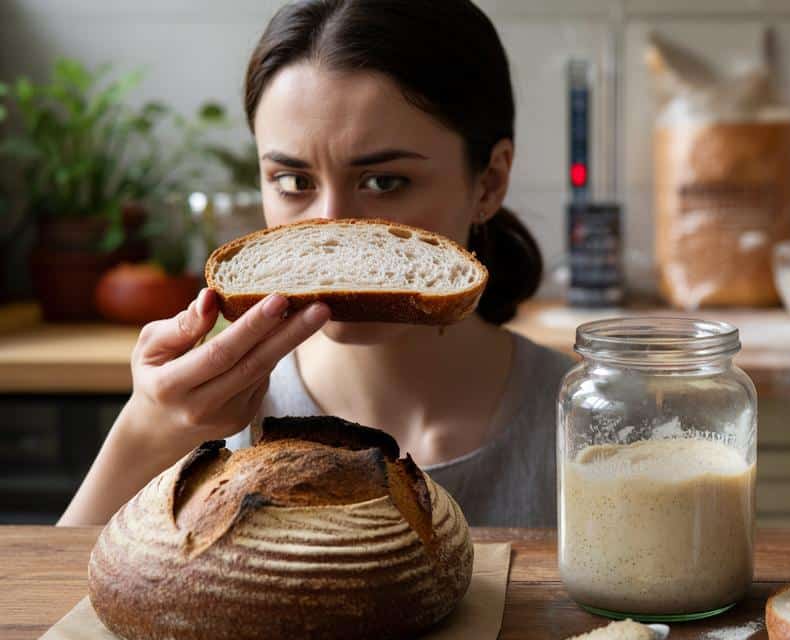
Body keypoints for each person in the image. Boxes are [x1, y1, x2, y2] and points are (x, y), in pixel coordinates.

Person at [59, 0, 573, 527]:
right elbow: (41, 603)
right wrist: (145, 432)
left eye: (384, 182)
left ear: (489, 182)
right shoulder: (206, 416)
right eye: (293, 182)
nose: (330, 231)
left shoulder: (588, 418)